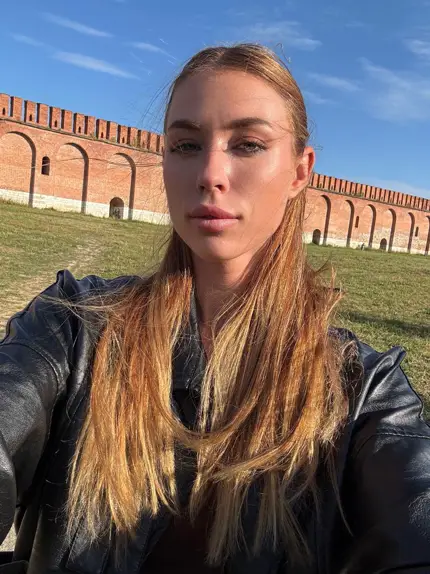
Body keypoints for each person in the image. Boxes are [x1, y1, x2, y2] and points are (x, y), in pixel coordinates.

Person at [0, 43, 429, 574]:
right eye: (186, 145)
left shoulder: (360, 391)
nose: (210, 173)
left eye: (248, 144)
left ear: (299, 173)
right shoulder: (76, 326)